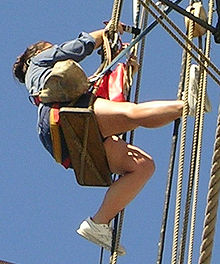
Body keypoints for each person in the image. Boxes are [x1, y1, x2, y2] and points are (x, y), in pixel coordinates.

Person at [13, 23, 198, 256]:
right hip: (65, 116)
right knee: (131, 114)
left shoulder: (47, 87)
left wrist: (124, 71)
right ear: (37, 54)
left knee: (142, 166)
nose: (54, 52)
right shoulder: (38, 63)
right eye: (50, 49)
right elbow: (78, 47)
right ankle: (187, 105)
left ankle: (98, 223)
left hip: (66, 141)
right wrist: (108, 32)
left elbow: (95, 85)